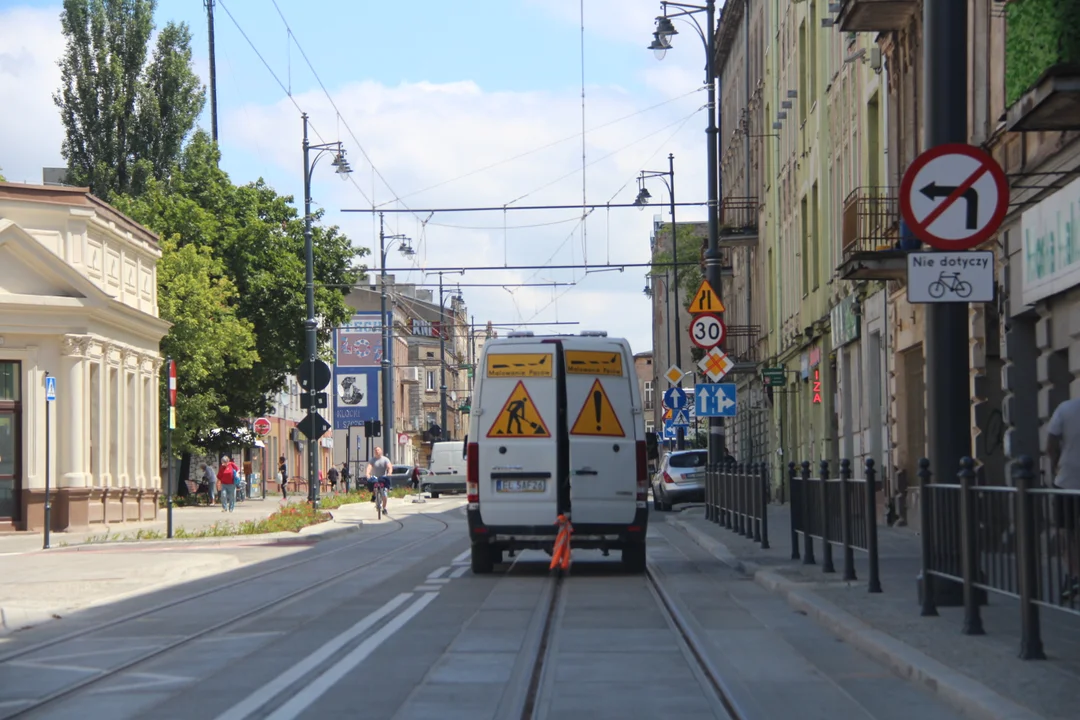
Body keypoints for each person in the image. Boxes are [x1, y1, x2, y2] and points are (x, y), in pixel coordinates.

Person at [1048, 398, 1080, 601]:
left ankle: (1074, 575)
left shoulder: (1066, 408)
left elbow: (1051, 443)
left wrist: (1054, 467)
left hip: (1068, 478)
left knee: (1065, 532)